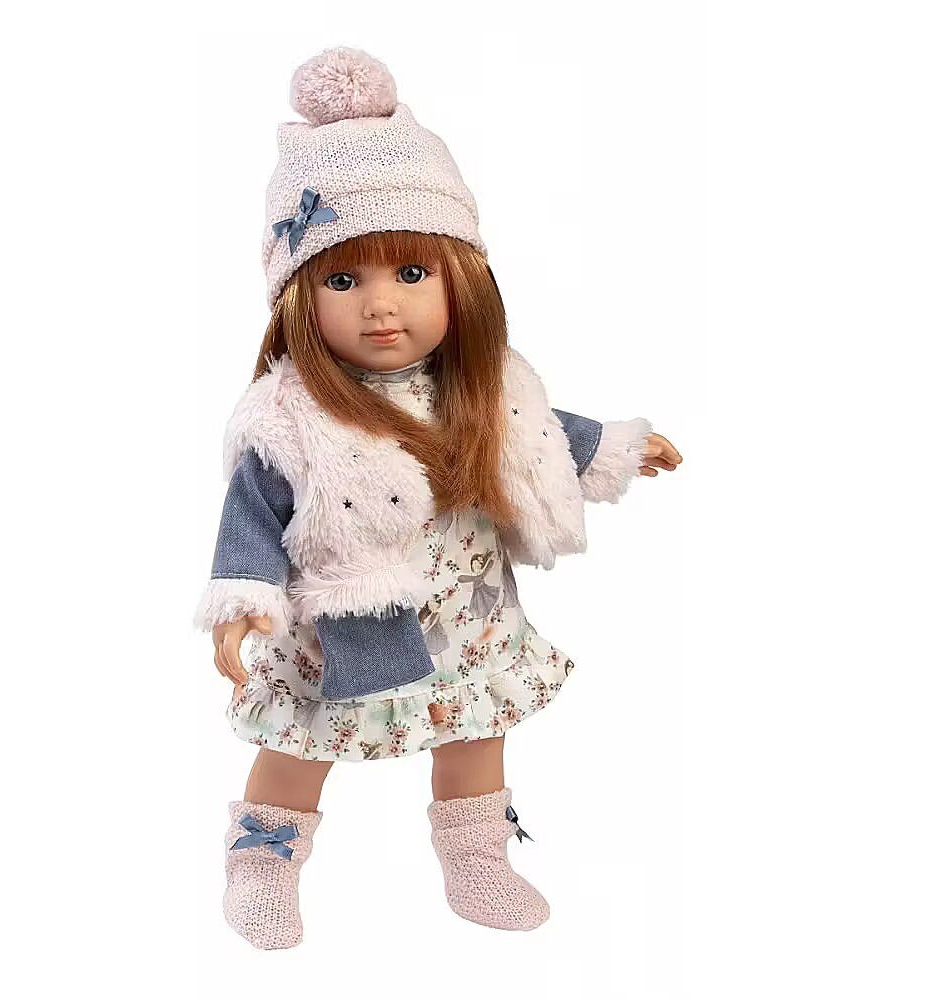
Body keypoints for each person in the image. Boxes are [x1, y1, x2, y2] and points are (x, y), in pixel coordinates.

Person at [194, 46, 683, 950]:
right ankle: (262, 859)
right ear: (298, 296)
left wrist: (613, 446)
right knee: (301, 745)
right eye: (344, 280)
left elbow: (538, 430)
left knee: (477, 731)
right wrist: (244, 599)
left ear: (462, 279)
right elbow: (252, 516)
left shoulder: (484, 384)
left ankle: (477, 856)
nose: (382, 307)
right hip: (346, 625)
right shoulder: (290, 418)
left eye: (412, 274)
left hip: (472, 616)